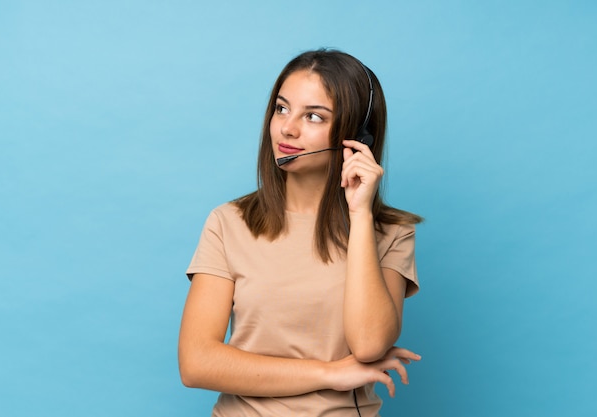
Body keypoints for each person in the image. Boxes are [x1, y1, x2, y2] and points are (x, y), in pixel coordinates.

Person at [178, 48, 423, 417]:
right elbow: (196, 363)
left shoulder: (390, 233)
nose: (288, 128)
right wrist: (330, 374)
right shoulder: (228, 222)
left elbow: (370, 344)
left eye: (313, 116)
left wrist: (359, 216)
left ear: (357, 135)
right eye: (281, 108)